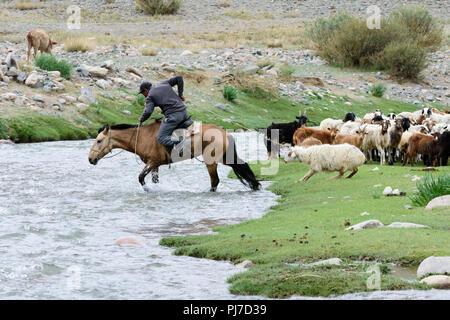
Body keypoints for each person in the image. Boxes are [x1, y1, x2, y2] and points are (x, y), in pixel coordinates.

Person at [138, 76, 193, 156]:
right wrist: (180, 94)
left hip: (173, 116)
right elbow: (179, 78)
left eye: (143, 93)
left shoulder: (150, 96)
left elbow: (148, 111)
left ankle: (182, 140)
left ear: (145, 90)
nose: (144, 96)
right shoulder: (164, 84)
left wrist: (141, 119)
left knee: (161, 138)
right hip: (184, 112)